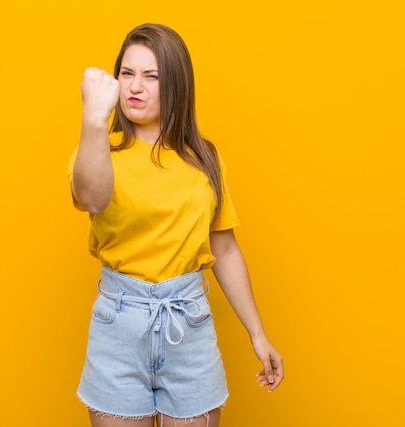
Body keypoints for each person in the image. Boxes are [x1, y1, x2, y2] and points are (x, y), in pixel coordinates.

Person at [68, 23, 284, 427]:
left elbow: (224, 249)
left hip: (188, 324)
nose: (136, 86)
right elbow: (92, 198)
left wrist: (258, 334)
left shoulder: (203, 159)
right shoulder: (99, 151)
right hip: (118, 324)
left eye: (152, 76)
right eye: (127, 73)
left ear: (177, 85)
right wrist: (94, 120)